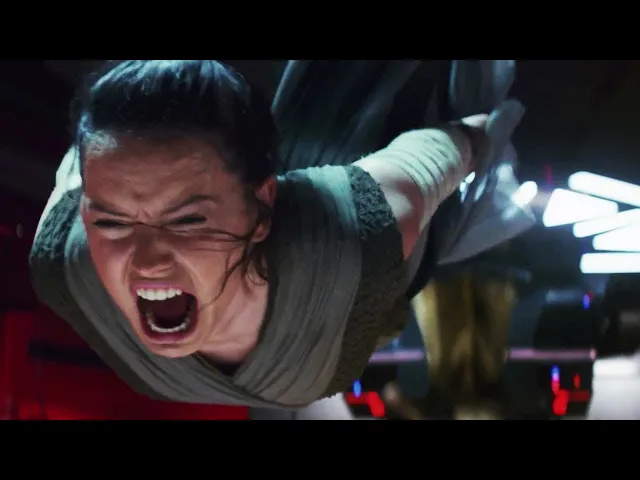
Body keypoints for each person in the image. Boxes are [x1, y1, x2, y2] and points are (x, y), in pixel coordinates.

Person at [30, 60, 523, 410]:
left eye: (187, 221)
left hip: (363, 267)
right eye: (113, 222)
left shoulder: (345, 232)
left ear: (264, 204)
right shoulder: (67, 262)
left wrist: (484, 135)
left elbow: (439, 152)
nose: (146, 261)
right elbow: (84, 165)